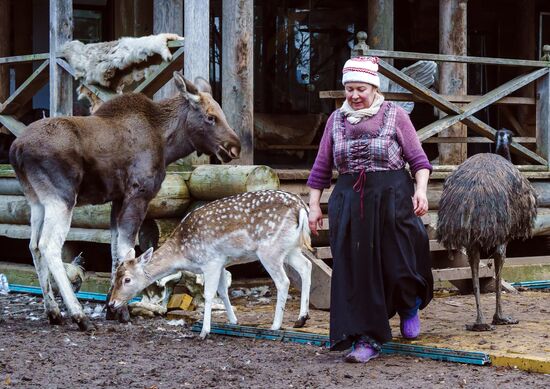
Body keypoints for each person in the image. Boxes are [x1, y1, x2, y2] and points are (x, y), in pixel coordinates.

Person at [307, 56, 434, 363]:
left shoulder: (395, 116)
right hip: (350, 203)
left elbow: (419, 161)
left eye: (360, 88)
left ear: (374, 88)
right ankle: (367, 339)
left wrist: (420, 191)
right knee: (356, 272)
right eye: (349, 89)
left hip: (393, 198)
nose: (354, 95)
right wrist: (313, 205)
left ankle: (408, 304)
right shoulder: (335, 121)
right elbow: (321, 168)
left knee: (401, 262)